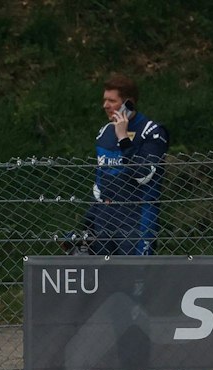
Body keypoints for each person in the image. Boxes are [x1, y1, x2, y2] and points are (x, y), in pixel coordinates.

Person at [87, 73, 168, 255]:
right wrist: (89, 222)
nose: (105, 106)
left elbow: (143, 175)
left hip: (136, 218)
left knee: (135, 278)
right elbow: (99, 183)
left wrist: (123, 138)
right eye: (104, 100)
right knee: (103, 279)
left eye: (111, 101)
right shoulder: (105, 132)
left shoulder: (152, 132)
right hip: (104, 218)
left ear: (128, 103)